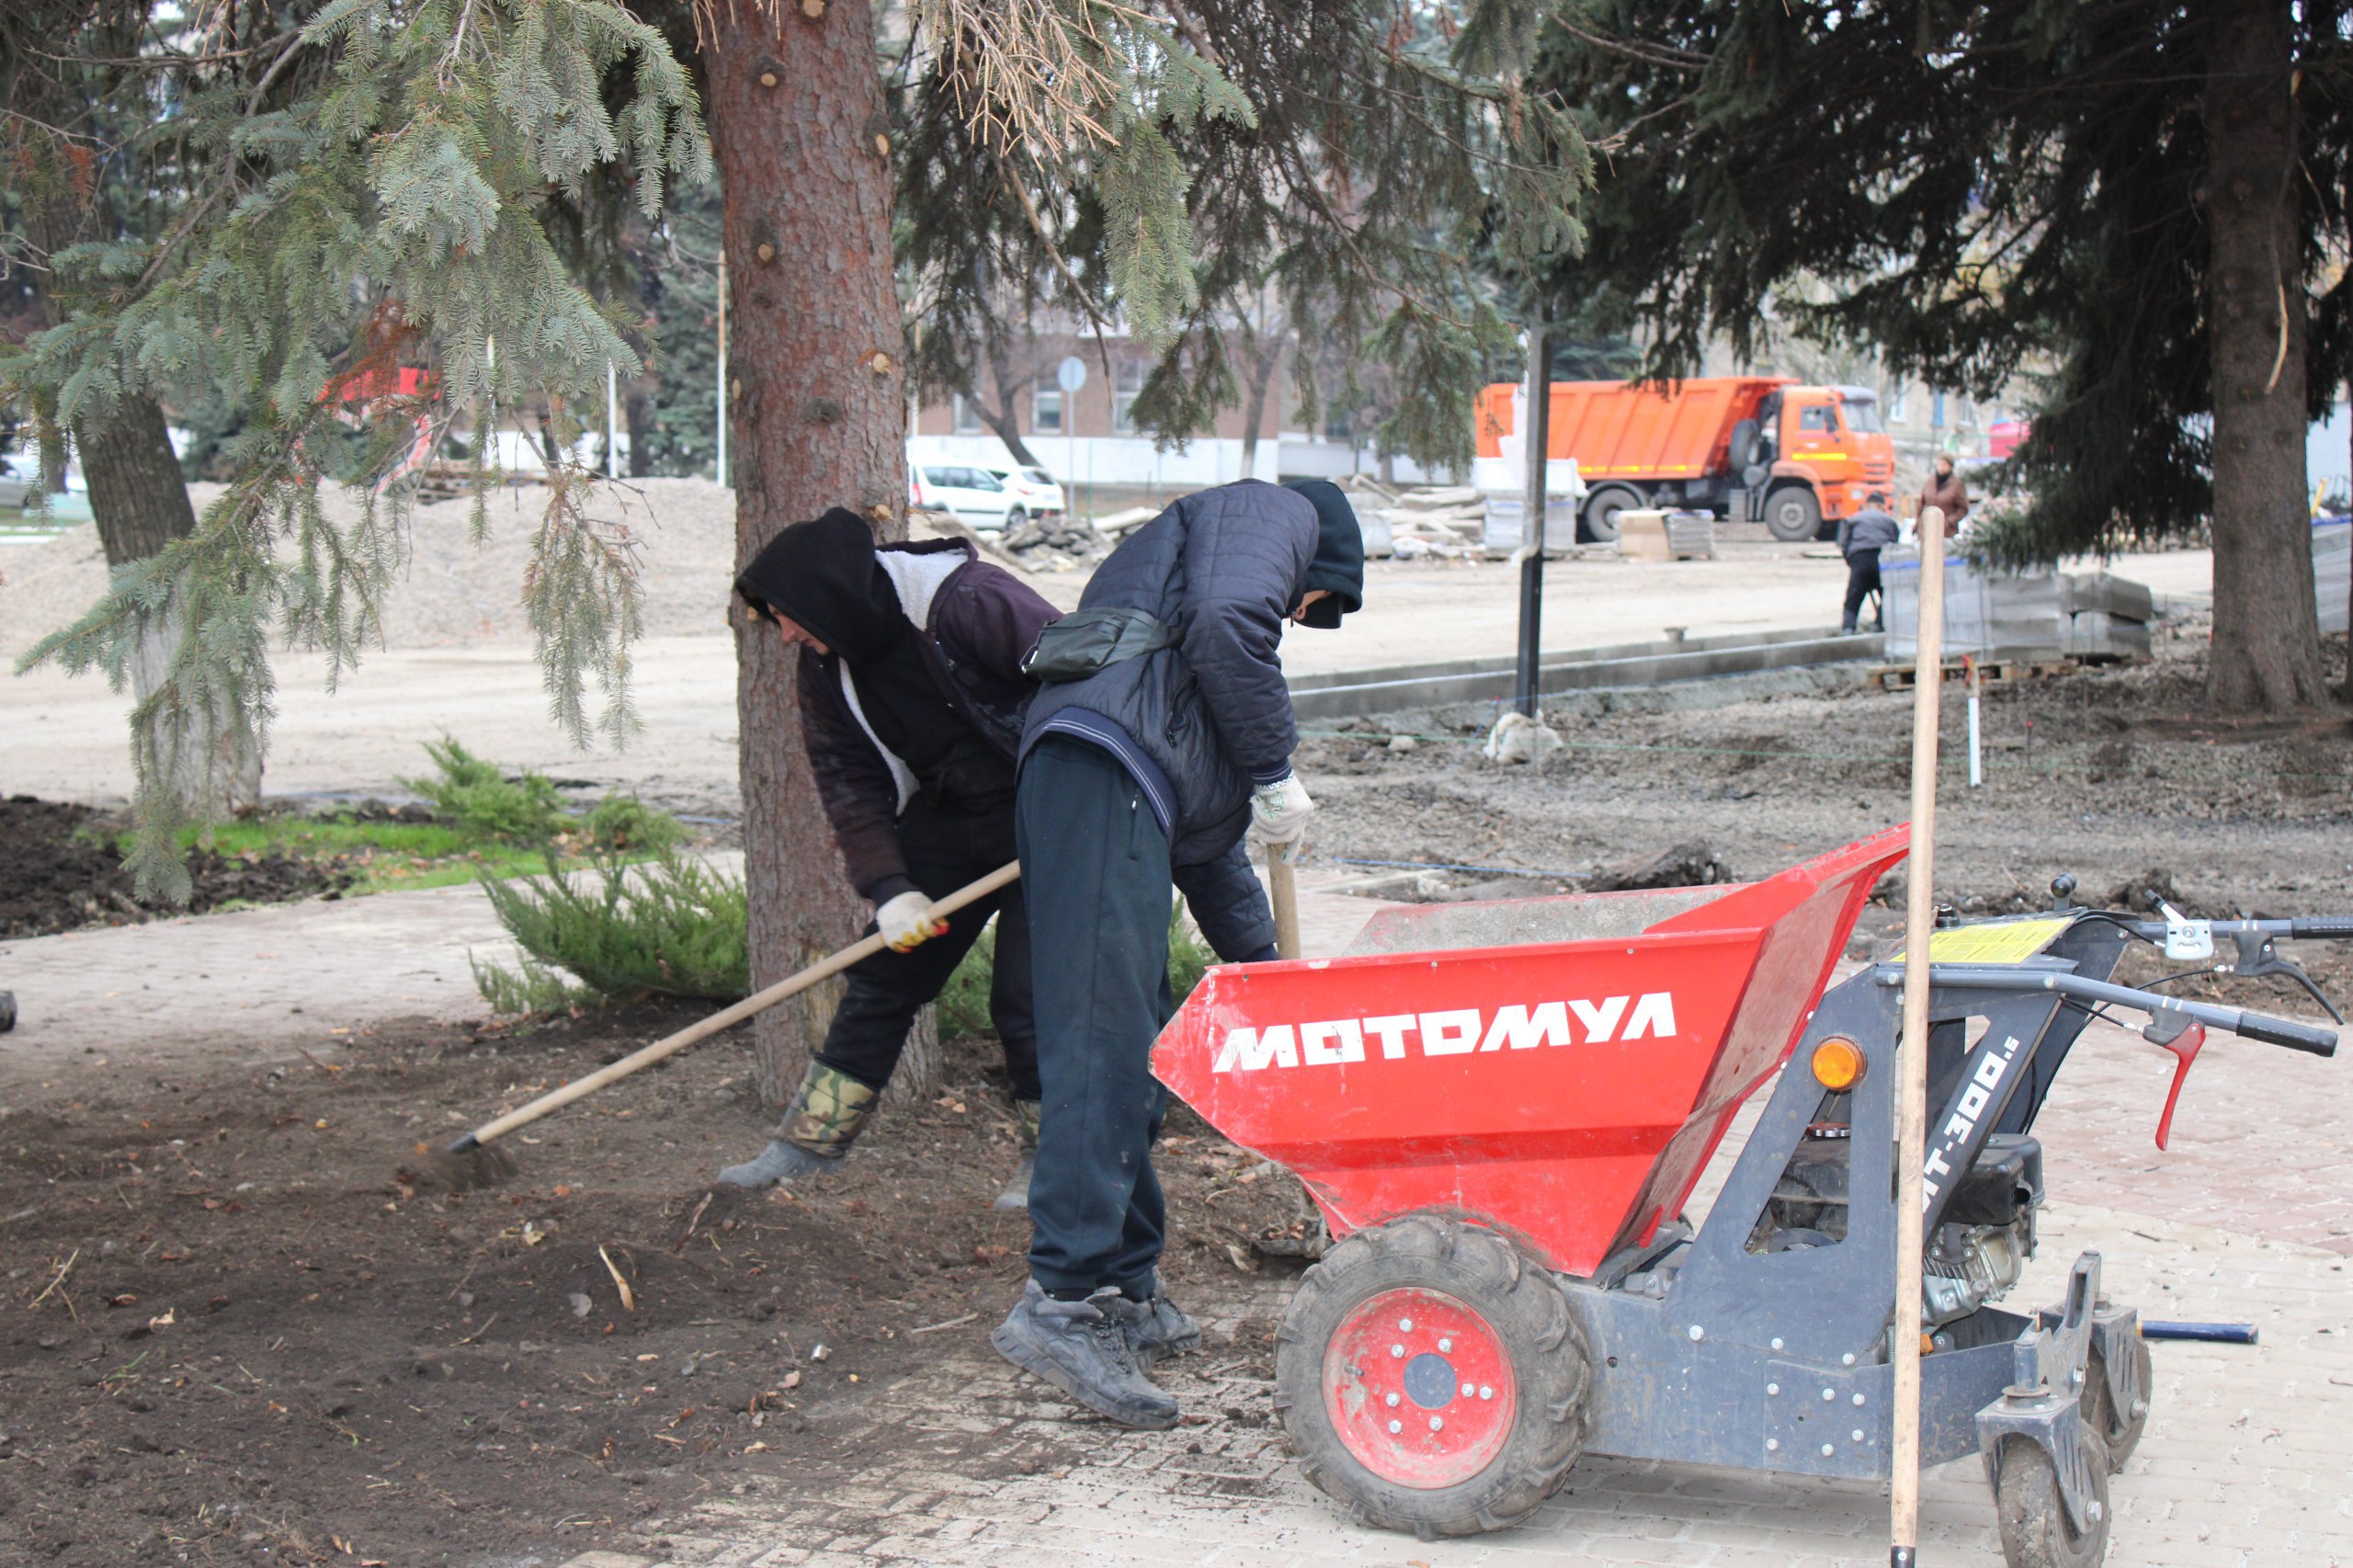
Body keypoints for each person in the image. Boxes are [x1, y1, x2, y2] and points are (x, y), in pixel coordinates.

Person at [990, 478, 1364, 1430]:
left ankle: (1123, 1281)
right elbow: (1232, 616)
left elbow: (1213, 861)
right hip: (1095, 773)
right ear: (1320, 554)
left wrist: (1272, 981)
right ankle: (1061, 1303)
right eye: (1313, 601)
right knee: (1100, 1044)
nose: (1296, 615)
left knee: (1139, 1047)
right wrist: (1275, 764)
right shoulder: (1273, 510)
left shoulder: (1180, 705)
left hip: (1115, 783)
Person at [718, 507, 1058, 1200]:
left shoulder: (967, 601)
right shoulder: (826, 663)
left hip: (1052, 814)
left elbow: (1090, 680)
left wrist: (1088, 798)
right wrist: (890, 886)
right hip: (951, 814)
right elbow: (847, 778)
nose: (786, 634)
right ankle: (809, 1144)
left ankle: (1054, 1159)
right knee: (883, 975)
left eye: (788, 617)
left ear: (830, 597)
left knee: (1030, 996)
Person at [1836, 490, 1899, 634]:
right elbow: (1895, 544)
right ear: (1882, 506)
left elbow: (1843, 543)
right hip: (1882, 560)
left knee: (1854, 597)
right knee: (1887, 596)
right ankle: (1879, 626)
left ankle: (1848, 628)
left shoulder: (1853, 519)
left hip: (1860, 559)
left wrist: (1851, 562)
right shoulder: (1889, 520)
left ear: (1866, 505)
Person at [1921, 453, 1971, 530]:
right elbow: (1921, 503)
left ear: (1950, 466)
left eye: (1944, 464)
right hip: (1927, 527)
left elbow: (1963, 508)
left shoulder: (1957, 484)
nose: (1941, 467)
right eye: (1939, 464)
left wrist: (1949, 521)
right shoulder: (1929, 482)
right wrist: (1918, 522)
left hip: (1946, 530)